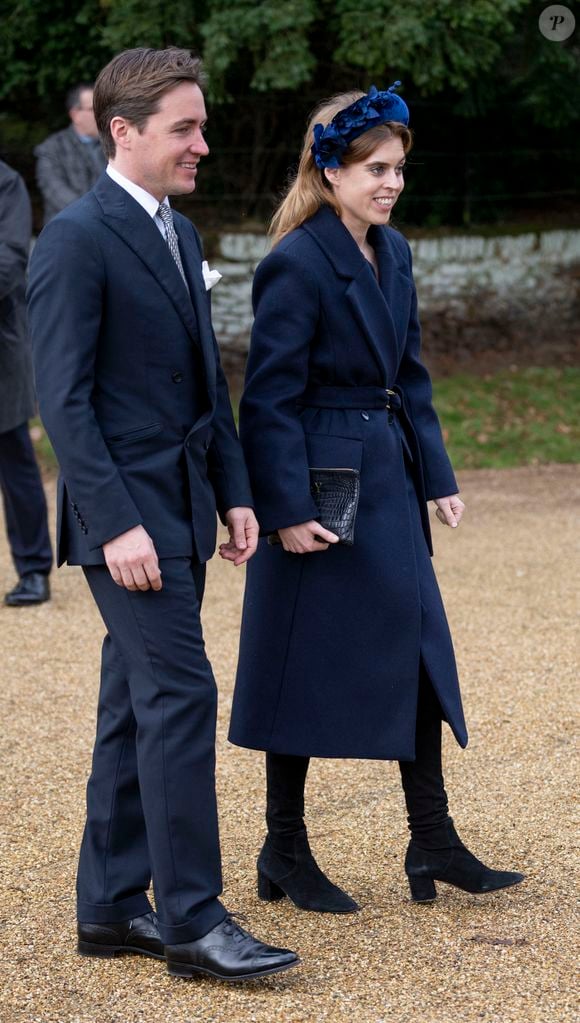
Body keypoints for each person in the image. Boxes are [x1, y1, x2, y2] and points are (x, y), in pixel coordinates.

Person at [27, 47, 298, 983]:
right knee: (180, 697)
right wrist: (114, 523)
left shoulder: (176, 234)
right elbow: (61, 401)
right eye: (184, 129)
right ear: (124, 132)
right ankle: (191, 919)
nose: (203, 144)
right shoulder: (75, 237)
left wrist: (235, 490)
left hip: (184, 508)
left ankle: (108, 903)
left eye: (201, 125)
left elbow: (203, 382)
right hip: (129, 524)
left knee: (129, 708)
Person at [228, 85, 524, 912]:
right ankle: (283, 846)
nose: (391, 183)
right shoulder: (295, 260)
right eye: (374, 168)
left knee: (417, 647)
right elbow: (269, 397)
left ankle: (430, 837)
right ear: (330, 169)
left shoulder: (393, 254)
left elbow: (411, 377)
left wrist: (439, 475)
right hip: (323, 491)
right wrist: (284, 506)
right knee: (299, 664)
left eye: (398, 168)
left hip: (388, 475)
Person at [0, 159, 52, 606]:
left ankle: (34, 568)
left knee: (14, 462)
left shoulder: (7, 184)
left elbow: (8, 264)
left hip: (1, 349)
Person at [35, 83, 106, 225]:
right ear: (75, 115)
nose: (101, 115)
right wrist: (98, 214)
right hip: (67, 230)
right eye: (93, 109)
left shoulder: (114, 146)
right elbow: (56, 192)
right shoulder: (51, 149)